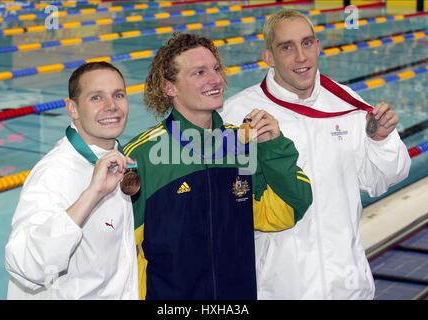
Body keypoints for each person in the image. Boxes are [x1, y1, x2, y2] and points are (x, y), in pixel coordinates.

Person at [220, 10, 411, 299]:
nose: (301, 57)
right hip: (277, 289)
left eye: (307, 43)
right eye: (287, 47)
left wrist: (380, 141)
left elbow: (382, 179)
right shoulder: (236, 114)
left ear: (318, 46)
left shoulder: (346, 104)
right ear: (268, 57)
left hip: (347, 287)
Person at [122, 32, 313, 300]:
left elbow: (284, 213)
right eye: (199, 72)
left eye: (215, 69)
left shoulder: (243, 146)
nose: (215, 80)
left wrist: (274, 147)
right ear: (170, 88)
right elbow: (118, 254)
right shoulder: (142, 157)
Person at [5, 62, 139, 299]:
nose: (112, 106)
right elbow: (26, 265)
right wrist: (91, 194)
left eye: (118, 95)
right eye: (96, 98)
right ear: (72, 108)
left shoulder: (119, 160)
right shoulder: (54, 174)